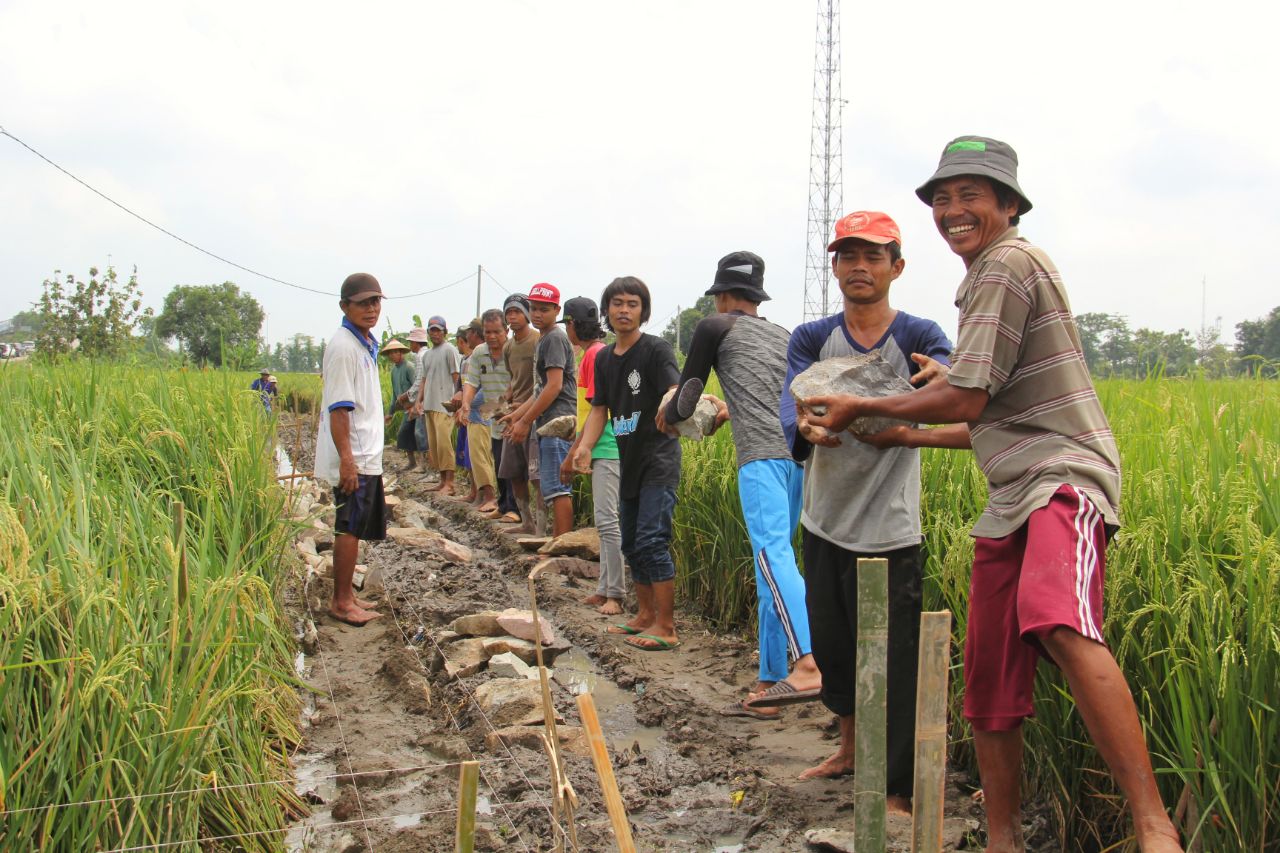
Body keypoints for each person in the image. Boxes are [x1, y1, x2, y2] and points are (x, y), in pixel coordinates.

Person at [801, 138, 1183, 852]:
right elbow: (986, 416)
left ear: (1009, 205)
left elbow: (969, 396)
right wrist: (908, 433)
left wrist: (860, 410)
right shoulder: (976, 283)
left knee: (1057, 619)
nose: (953, 210)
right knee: (988, 674)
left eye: (971, 195)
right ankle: (1001, 838)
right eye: (942, 198)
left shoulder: (1007, 262)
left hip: (1062, 479)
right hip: (1010, 492)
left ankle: (1152, 821)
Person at [780, 211, 953, 812]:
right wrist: (802, 424)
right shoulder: (811, 338)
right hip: (824, 517)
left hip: (891, 526)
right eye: (848, 255)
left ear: (896, 267)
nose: (859, 266)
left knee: (897, 658)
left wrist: (939, 379)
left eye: (873, 256)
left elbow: (953, 389)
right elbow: (790, 407)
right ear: (834, 267)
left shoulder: (919, 335)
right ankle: (850, 750)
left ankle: (900, 787)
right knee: (835, 647)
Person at [657, 251, 821, 720]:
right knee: (773, 561)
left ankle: (807, 662)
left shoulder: (715, 328)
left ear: (722, 296)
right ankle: (770, 682)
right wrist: (732, 410)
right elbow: (777, 393)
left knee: (773, 556)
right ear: (756, 295)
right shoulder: (783, 334)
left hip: (762, 460)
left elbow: (687, 398)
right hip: (800, 459)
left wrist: (667, 415)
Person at [572, 276, 682, 651]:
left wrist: (672, 399)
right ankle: (644, 616)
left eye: (632, 304)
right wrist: (584, 447)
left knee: (653, 540)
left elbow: (673, 387)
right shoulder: (603, 358)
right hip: (627, 459)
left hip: (658, 460)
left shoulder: (656, 350)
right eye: (617, 303)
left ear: (643, 311)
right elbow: (600, 408)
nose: (624, 310)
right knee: (633, 543)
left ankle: (666, 626)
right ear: (606, 311)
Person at [315, 273, 388, 627]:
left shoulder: (362, 343)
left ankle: (348, 595)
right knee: (348, 526)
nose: (371, 309)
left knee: (355, 527)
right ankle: (341, 601)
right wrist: (347, 460)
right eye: (363, 303)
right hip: (354, 455)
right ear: (345, 306)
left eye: (375, 302)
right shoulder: (344, 346)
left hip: (364, 453)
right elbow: (339, 409)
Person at [558, 296, 625, 615]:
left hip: (607, 446)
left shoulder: (595, 356)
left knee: (608, 521)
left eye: (567, 324)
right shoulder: (595, 353)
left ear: (572, 325)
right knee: (605, 520)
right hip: (601, 446)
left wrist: (573, 452)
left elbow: (599, 412)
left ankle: (615, 593)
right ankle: (604, 588)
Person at [502, 283, 577, 537]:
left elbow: (554, 387)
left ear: (557, 310)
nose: (537, 314)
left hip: (558, 421)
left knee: (557, 488)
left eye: (544, 309)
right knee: (552, 486)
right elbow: (538, 389)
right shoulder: (545, 338)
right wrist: (517, 415)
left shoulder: (554, 338)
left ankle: (560, 544)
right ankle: (556, 541)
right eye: (533, 308)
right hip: (547, 421)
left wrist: (525, 422)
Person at [496, 293, 541, 532]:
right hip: (513, 414)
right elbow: (513, 380)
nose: (512, 317)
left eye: (516, 312)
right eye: (508, 312)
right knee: (513, 471)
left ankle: (542, 525)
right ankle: (527, 522)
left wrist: (523, 411)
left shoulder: (538, 341)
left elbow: (543, 383)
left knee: (536, 475)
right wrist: (503, 402)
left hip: (534, 413)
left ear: (526, 314)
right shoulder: (509, 347)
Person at [458, 314, 507, 515]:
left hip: (512, 411)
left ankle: (497, 501)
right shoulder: (479, 352)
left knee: (506, 462)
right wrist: (465, 404)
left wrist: (494, 406)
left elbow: (520, 383)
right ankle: (499, 502)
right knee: (492, 457)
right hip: (489, 415)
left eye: (497, 331)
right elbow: (472, 382)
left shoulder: (512, 351)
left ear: (506, 331)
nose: (492, 336)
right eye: (488, 332)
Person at [411, 316, 460, 495]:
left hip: (445, 405)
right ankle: (441, 480)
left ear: (445, 332)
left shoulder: (450, 350)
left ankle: (450, 482)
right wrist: (418, 401)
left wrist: (458, 401)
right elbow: (424, 379)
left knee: (444, 444)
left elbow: (457, 377)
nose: (435, 333)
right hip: (430, 405)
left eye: (438, 330)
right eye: (432, 330)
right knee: (435, 445)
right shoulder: (428, 355)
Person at [381, 338, 421, 471]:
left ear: (401, 353)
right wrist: (390, 413)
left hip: (415, 407)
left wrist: (416, 405)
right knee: (404, 435)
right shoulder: (394, 371)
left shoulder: (409, 367)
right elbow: (395, 394)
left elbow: (418, 385)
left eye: (395, 352)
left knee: (419, 435)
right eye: (390, 353)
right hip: (406, 409)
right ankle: (413, 462)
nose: (393, 355)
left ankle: (421, 464)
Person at [452, 326, 476, 502]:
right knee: (466, 453)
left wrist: (464, 407)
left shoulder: (475, 359)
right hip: (465, 409)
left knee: (473, 454)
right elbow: (462, 385)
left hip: (473, 411)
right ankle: (473, 492)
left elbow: (473, 386)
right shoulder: (464, 360)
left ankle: (478, 492)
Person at [404, 327, 432, 465]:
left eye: (411, 342)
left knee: (421, 433)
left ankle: (425, 465)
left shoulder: (421, 356)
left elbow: (420, 380)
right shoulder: (426, 354)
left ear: (417, 342)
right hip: (427, 399)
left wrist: (409, 396)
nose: (410, 346)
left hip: (424, 400)